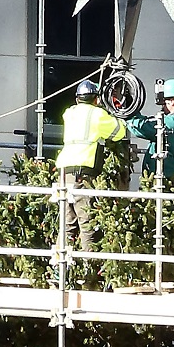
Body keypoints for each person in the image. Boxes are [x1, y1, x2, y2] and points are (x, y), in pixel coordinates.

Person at [56, 79, 127, 254]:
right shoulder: (97, 114)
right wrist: (113, 110)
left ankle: (59, 268)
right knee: (86, 222)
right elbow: (119, 132)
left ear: (77, 98)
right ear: (96, 99)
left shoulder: (69, 112)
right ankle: (89, 272)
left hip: (64, 172)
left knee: (67, 222)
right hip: (83, 173)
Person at [128, 79, 174, 180]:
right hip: (167, 177)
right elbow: (148, 123)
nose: (162, 107)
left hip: (168, 179)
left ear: (171, 101)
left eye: (164, 102)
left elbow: (143, 127)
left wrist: (128, 113)